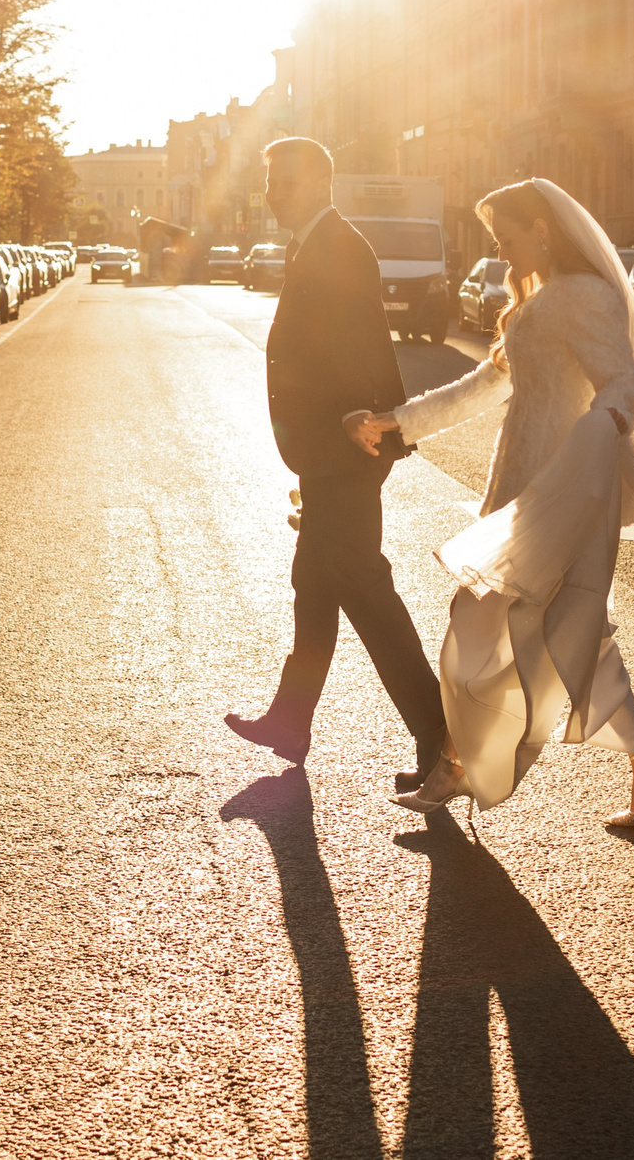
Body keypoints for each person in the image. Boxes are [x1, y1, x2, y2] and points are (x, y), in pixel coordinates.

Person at [346, 178, 634, 830]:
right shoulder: (533, 301)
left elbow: (625, 382)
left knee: (484, 619)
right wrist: (397, 419)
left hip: (568, 486)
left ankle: (454, 765)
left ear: (543, 230)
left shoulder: (582, 297)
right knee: (568, 636)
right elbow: (484, 385)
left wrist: (602, 425)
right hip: (522, 487)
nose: (501, 252)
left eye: (507, 238)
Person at [224, 136, 447, 792]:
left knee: (368, 595)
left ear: (319, 182)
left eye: (282, 180)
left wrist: (360, 414)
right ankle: (291, 720)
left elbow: (358, 347)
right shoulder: (313, 243)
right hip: (328, 452)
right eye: (267, 180)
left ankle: (441, 730)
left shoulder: (339, 246)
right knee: (314, 587)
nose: (271, 192)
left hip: (347, 450)